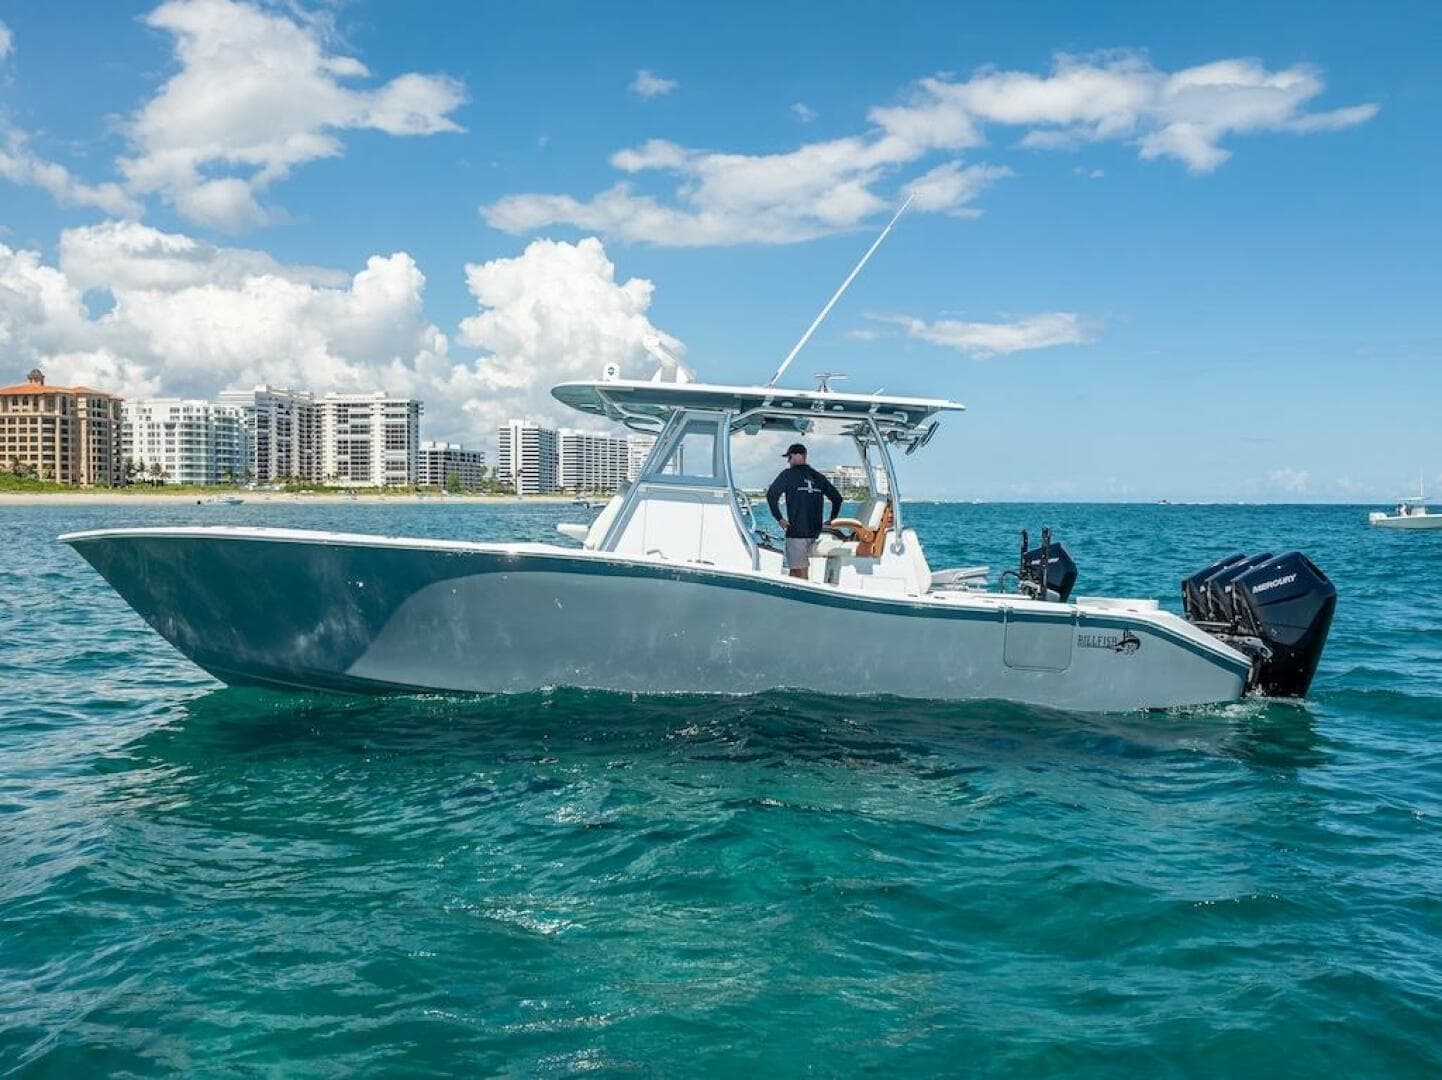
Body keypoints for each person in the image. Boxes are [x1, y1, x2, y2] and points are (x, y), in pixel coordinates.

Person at [766, 443, 843, 580]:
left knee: (798, 573)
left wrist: (779, 518)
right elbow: (837, 499)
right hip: (815, 531)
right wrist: (831, 520)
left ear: (797, 456)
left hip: (797, 532)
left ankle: (801, 593)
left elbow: (771, 495)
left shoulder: (788, 475)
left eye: (789, 457)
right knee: (797, 572)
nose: (788, 461)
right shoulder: (818, 477)